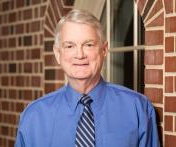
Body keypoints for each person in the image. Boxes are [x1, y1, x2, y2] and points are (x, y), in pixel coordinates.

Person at [15, 9, 160, 147]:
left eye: (88, 45)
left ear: (104, 50)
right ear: (58, 54)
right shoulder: (34, 116)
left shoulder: (138, 109)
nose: (80, 55)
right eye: (70, 46)